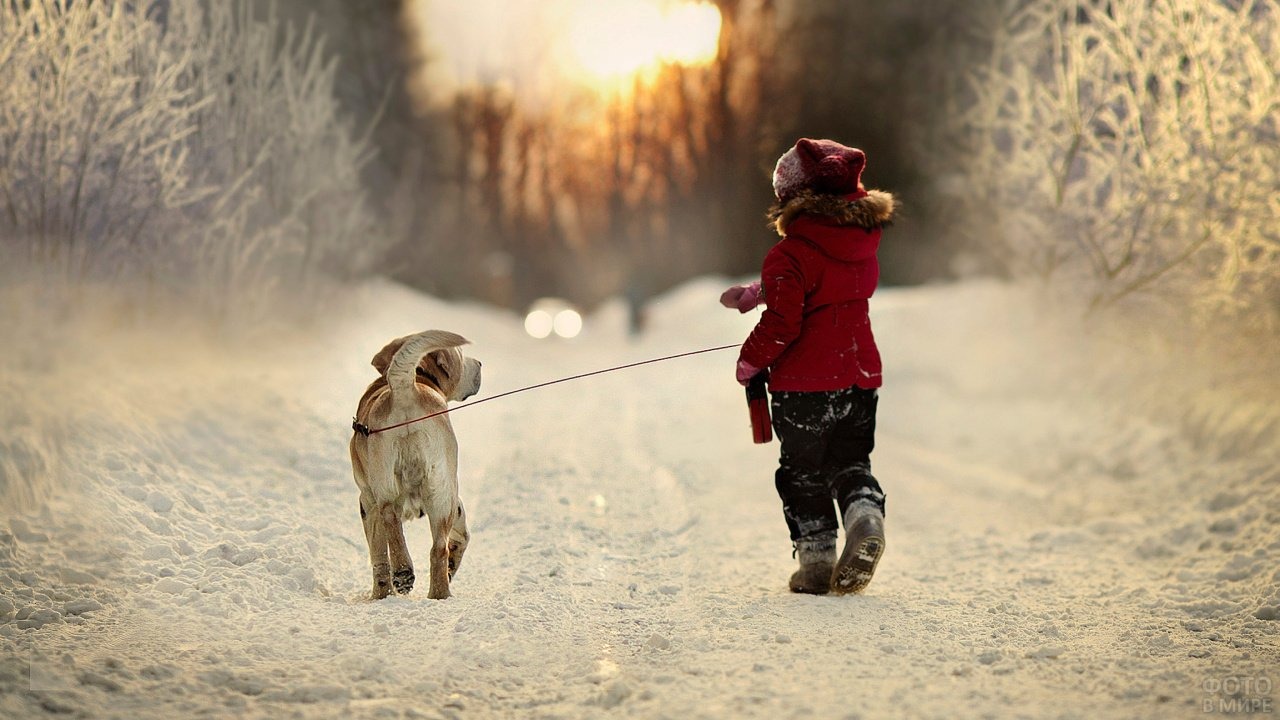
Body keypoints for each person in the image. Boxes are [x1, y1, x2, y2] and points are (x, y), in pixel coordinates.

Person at [720, 138, 895, 595]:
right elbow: (825, 278)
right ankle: (864, 514)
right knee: (850, 461)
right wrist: (757, 291)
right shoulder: (862, 242)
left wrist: (749, 360)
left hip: (805, 386)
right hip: (860, 376)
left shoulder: (788, 254)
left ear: (794, 198)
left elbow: (784, 320)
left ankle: (817, 563)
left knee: (803, 470)